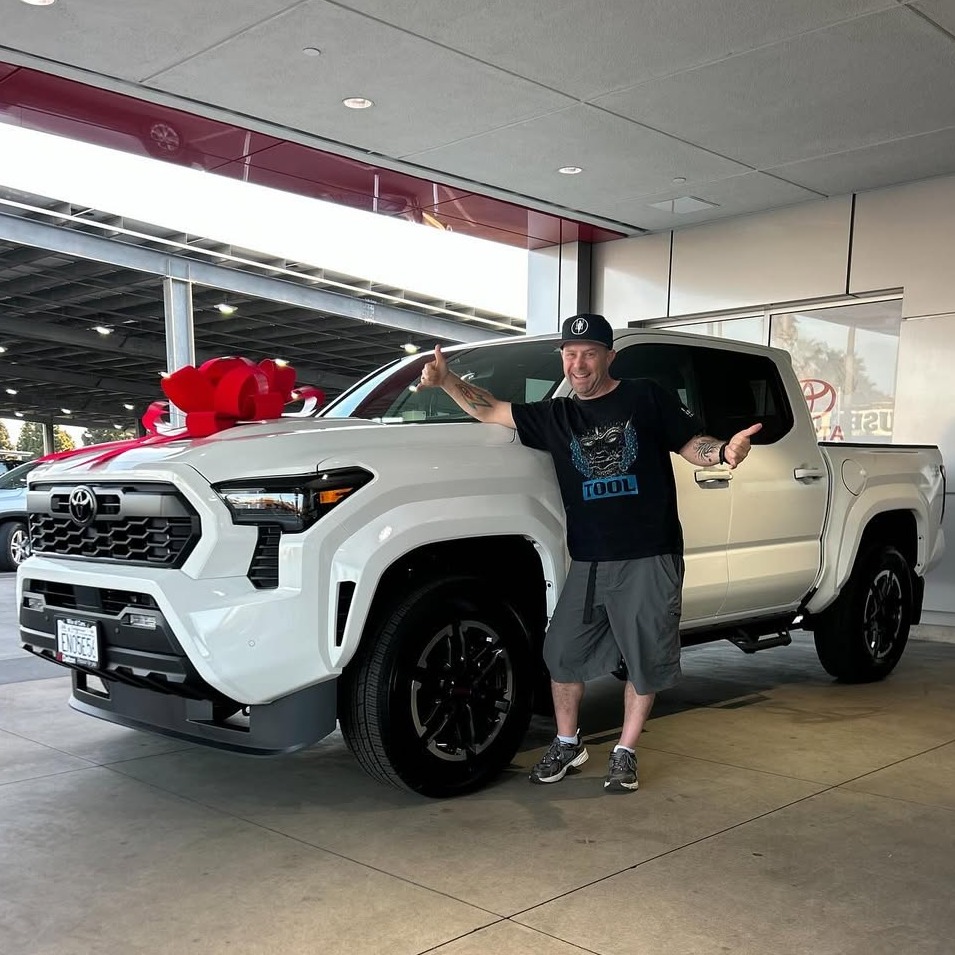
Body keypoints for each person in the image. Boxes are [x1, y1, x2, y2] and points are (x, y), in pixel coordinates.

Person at [418, 313, 760, 794]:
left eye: (590, 354)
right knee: (562, 654)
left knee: (643, 660)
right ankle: (566, 741)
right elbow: (490, 410)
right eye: (571, 354)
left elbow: (691, 445)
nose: (579, 363)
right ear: (563, 358)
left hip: (649, 551)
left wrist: (724, 453)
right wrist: (446, 380)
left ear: (608, 357)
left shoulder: (643, 396)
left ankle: (625, 750)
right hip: (590, 559)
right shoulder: (556, 415)